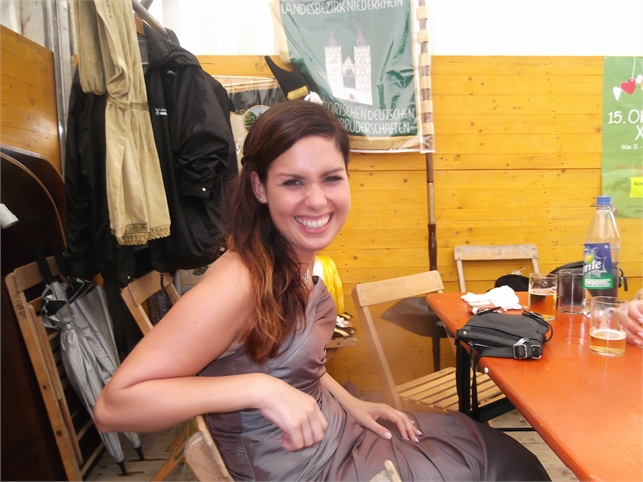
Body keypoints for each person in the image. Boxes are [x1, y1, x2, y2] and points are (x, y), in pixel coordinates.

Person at [94, 100, 550, 481]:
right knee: (500, 468)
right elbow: (114, 406)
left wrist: (354, 405)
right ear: (259, 187)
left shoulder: (291, 259)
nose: (317, 200)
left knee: (498, 453)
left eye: (331, 178)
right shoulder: (239, 281)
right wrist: (259, 389)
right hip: (305, 469)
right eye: (293, 182)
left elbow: (291, 360)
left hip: (339, 433)